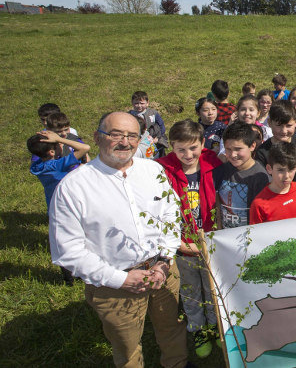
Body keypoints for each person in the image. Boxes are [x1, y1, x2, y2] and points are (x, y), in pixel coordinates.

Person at [49, 112, 187, 368]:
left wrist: (166, 260)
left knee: (172, 328)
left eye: (132, 135)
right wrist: (121, 279)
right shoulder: (73, 187)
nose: (125, 141)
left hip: (164, 272)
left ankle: (176, 363)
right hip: (113, 285)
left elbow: (171, 214)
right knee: (127, 346)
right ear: (97, 138)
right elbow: (67, 251)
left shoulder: (153, 170)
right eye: (116, 134)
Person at [156, 119, 222, 358]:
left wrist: (211, 240)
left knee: (212, 288)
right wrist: (179, 243)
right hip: (182, 245)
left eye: (193, 148)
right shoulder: (162, 170)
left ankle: (216, 326)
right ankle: (197, 328)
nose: (187, 154)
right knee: (190, 289)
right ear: (171, 146)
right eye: (180, 149)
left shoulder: (213, 163)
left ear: (203, 143)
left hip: (210, 243)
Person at [28, 129, 91, 285]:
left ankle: (68, 277)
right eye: (57, 145)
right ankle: (80, 273)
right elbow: (85, 148)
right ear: (51, 151)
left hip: (54, 208)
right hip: (70, 208)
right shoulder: (57, 164)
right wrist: (61, 139)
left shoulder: (37, 167)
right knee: (81, 239)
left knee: (64, 242)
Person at [213, 122, 270, 229]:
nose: (233, 155)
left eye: (238, 149)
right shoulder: (221, 170)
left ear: (252, 146)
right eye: (228, 149)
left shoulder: (261, 177)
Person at [254, 100, 296, 189]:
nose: (284, 131)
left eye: (289, 125)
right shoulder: (262, 152)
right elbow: (261, 181)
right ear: (269, 122)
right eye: (279, 125)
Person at [250, 141, 296, 223]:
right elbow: (255, 234)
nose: (286, 176)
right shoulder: (259, 204)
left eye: (291, 170)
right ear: (269, 169)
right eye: (281, 170)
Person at [129, 91, 168, 156]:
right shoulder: (129, 115)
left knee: (155, 155)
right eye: (136, 103)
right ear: (132, 103)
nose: (139, 106)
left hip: (153, 139)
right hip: (138, 140)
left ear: (147, 103)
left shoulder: (153, 113)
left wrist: (158, 138)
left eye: (142, 103)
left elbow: (161, 126)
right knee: (141, 155)